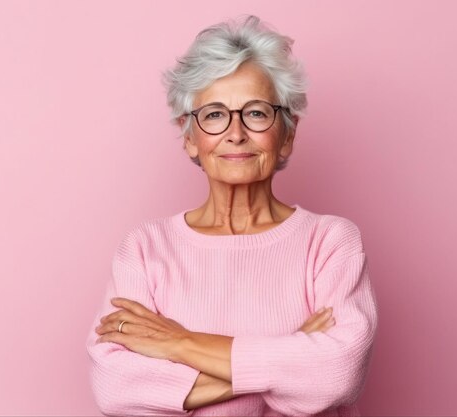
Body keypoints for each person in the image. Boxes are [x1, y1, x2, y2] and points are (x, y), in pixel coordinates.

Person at [87, 15, 377, 417]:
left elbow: (338, 373)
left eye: (256, 113)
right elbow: (115, 387)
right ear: (190, 137)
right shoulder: (145, 247)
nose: (236, 133)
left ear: (287, 135)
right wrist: (288, 356)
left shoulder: (329, 241)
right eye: (215, 115)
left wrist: (180, 344)